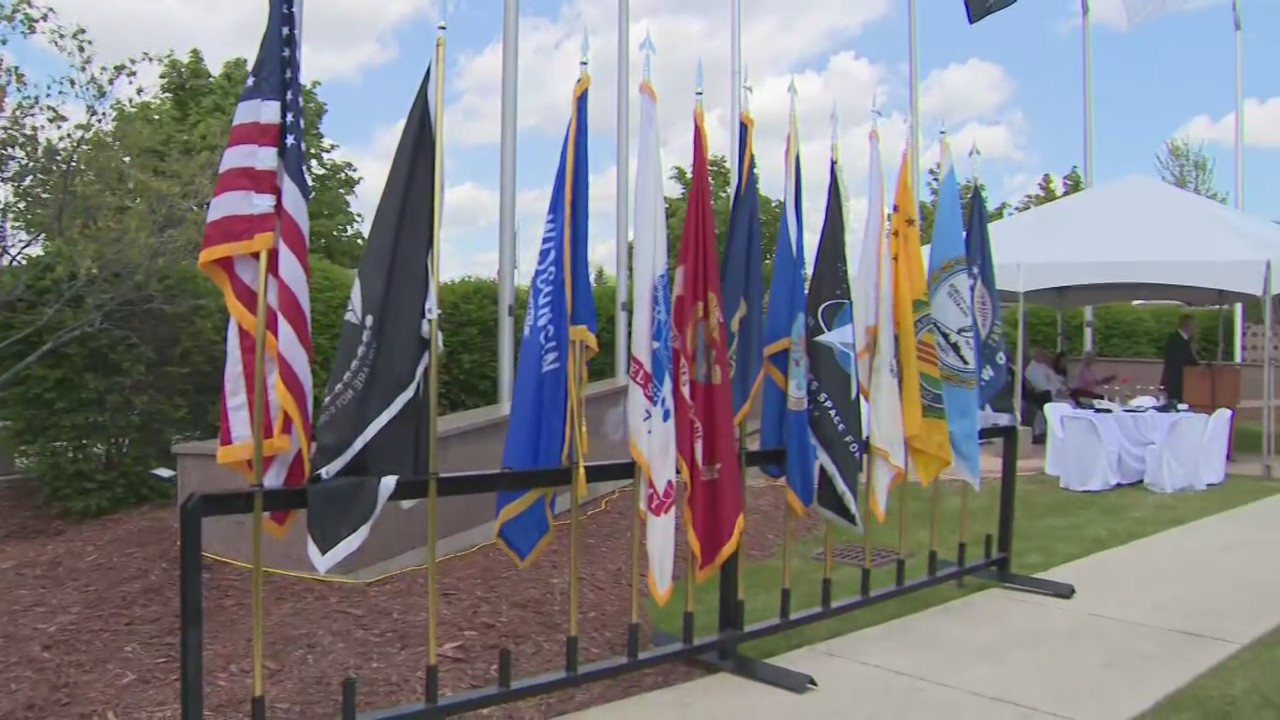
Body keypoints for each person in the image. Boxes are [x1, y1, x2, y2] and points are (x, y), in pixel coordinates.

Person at [1024, 348, 1067, 443]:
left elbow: (1054, 380)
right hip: (1040, 393)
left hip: (1050, 392)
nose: (1044, 357)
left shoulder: (1043, 366)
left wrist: (1061, 389)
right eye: (1042, 355)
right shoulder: (1031, 369)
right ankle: (1043, 431)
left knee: (1068, 402)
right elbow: (1037, 385)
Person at [1160, 314, 1200, 402]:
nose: (1196, 330)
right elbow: (1181, 360)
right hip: (1175, 383)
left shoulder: (1186, 341)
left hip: (1183, 383)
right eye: (1194, 326)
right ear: (1187, 325)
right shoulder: (1175, 339)